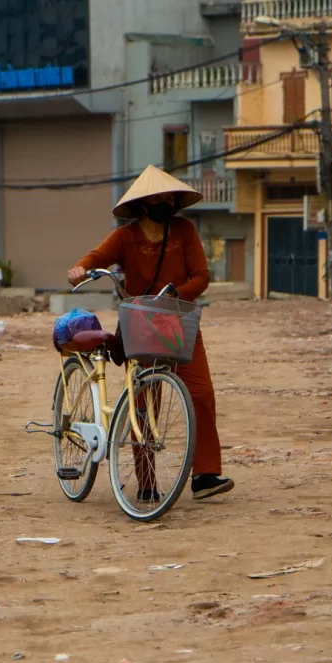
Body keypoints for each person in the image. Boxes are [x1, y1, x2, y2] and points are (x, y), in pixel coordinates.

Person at [67, 165, 234, 501]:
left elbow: (201, 276)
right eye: (161, 196)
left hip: (179, 322)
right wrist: (80, 268)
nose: (167, 201)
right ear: (145, 203)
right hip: (140, 325)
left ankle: (205, 475)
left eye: (171, 196)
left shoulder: (185, 231)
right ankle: (146, 483)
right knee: (143, 403)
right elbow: (96, 256)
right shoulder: (126, 236)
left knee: (201, 393)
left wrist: (176, 294)